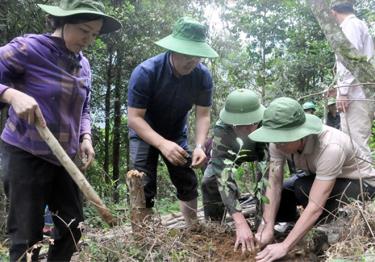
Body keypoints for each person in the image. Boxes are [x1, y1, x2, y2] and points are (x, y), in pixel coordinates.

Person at [0, 1, 121, 261]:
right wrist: (10, 94)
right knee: (26, 236)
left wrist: (85, 136)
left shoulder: (84, 64)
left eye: (94, 34)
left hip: (65, 158)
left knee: (72, 227)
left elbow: (84, 108)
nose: (88, 39)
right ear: (62, 22)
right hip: (26, 152)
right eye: (83, 30)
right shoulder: (28, 48)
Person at [248, 97, 375, 262]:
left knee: (303, 189)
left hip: (361, 184)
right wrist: (267, 226)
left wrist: (285, 246)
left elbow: (315, 205)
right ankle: (288, 227)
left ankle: (322, 228)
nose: (277, 145)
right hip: (323, 177)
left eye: (281, 140)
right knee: (287, 188)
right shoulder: (277, 143)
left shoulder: (331, 147)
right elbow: (274, 183)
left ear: (299, 134)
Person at [127, 17, 218, 225]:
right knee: (142, 181)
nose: (192, 61)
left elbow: (203, 114)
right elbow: (134, 119)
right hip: (144, 132)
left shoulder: (202, 76)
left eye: (197, 56)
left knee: (186, 177)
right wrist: (161, 143)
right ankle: (142, 237)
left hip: (176, 131)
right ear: (173, 49)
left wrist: (199, 146)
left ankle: (193, 229)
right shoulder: (146, 72)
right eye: (187, 54)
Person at [201, 89, 266, 252]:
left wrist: (266, 222)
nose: (251, 130)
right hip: (233, 153)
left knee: (265, 182)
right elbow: (223, 176)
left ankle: (261, 226)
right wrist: (240, 221)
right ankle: (215, 228)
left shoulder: (268, 122)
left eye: (253, 123)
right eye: (244, 126)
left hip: (260, 151)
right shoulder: (221, 131)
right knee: (209, 181)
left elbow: (272, 173)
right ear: (232, 123)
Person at [331, 1, 374, 162]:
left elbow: (350, 61)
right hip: (359, 92)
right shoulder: (357, 25)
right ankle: (361, 184)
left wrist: (343, 92)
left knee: (356, 143)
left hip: (356, 95)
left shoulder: (350, 26)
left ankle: (368, 184)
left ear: (333, 12)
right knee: (352, 140)